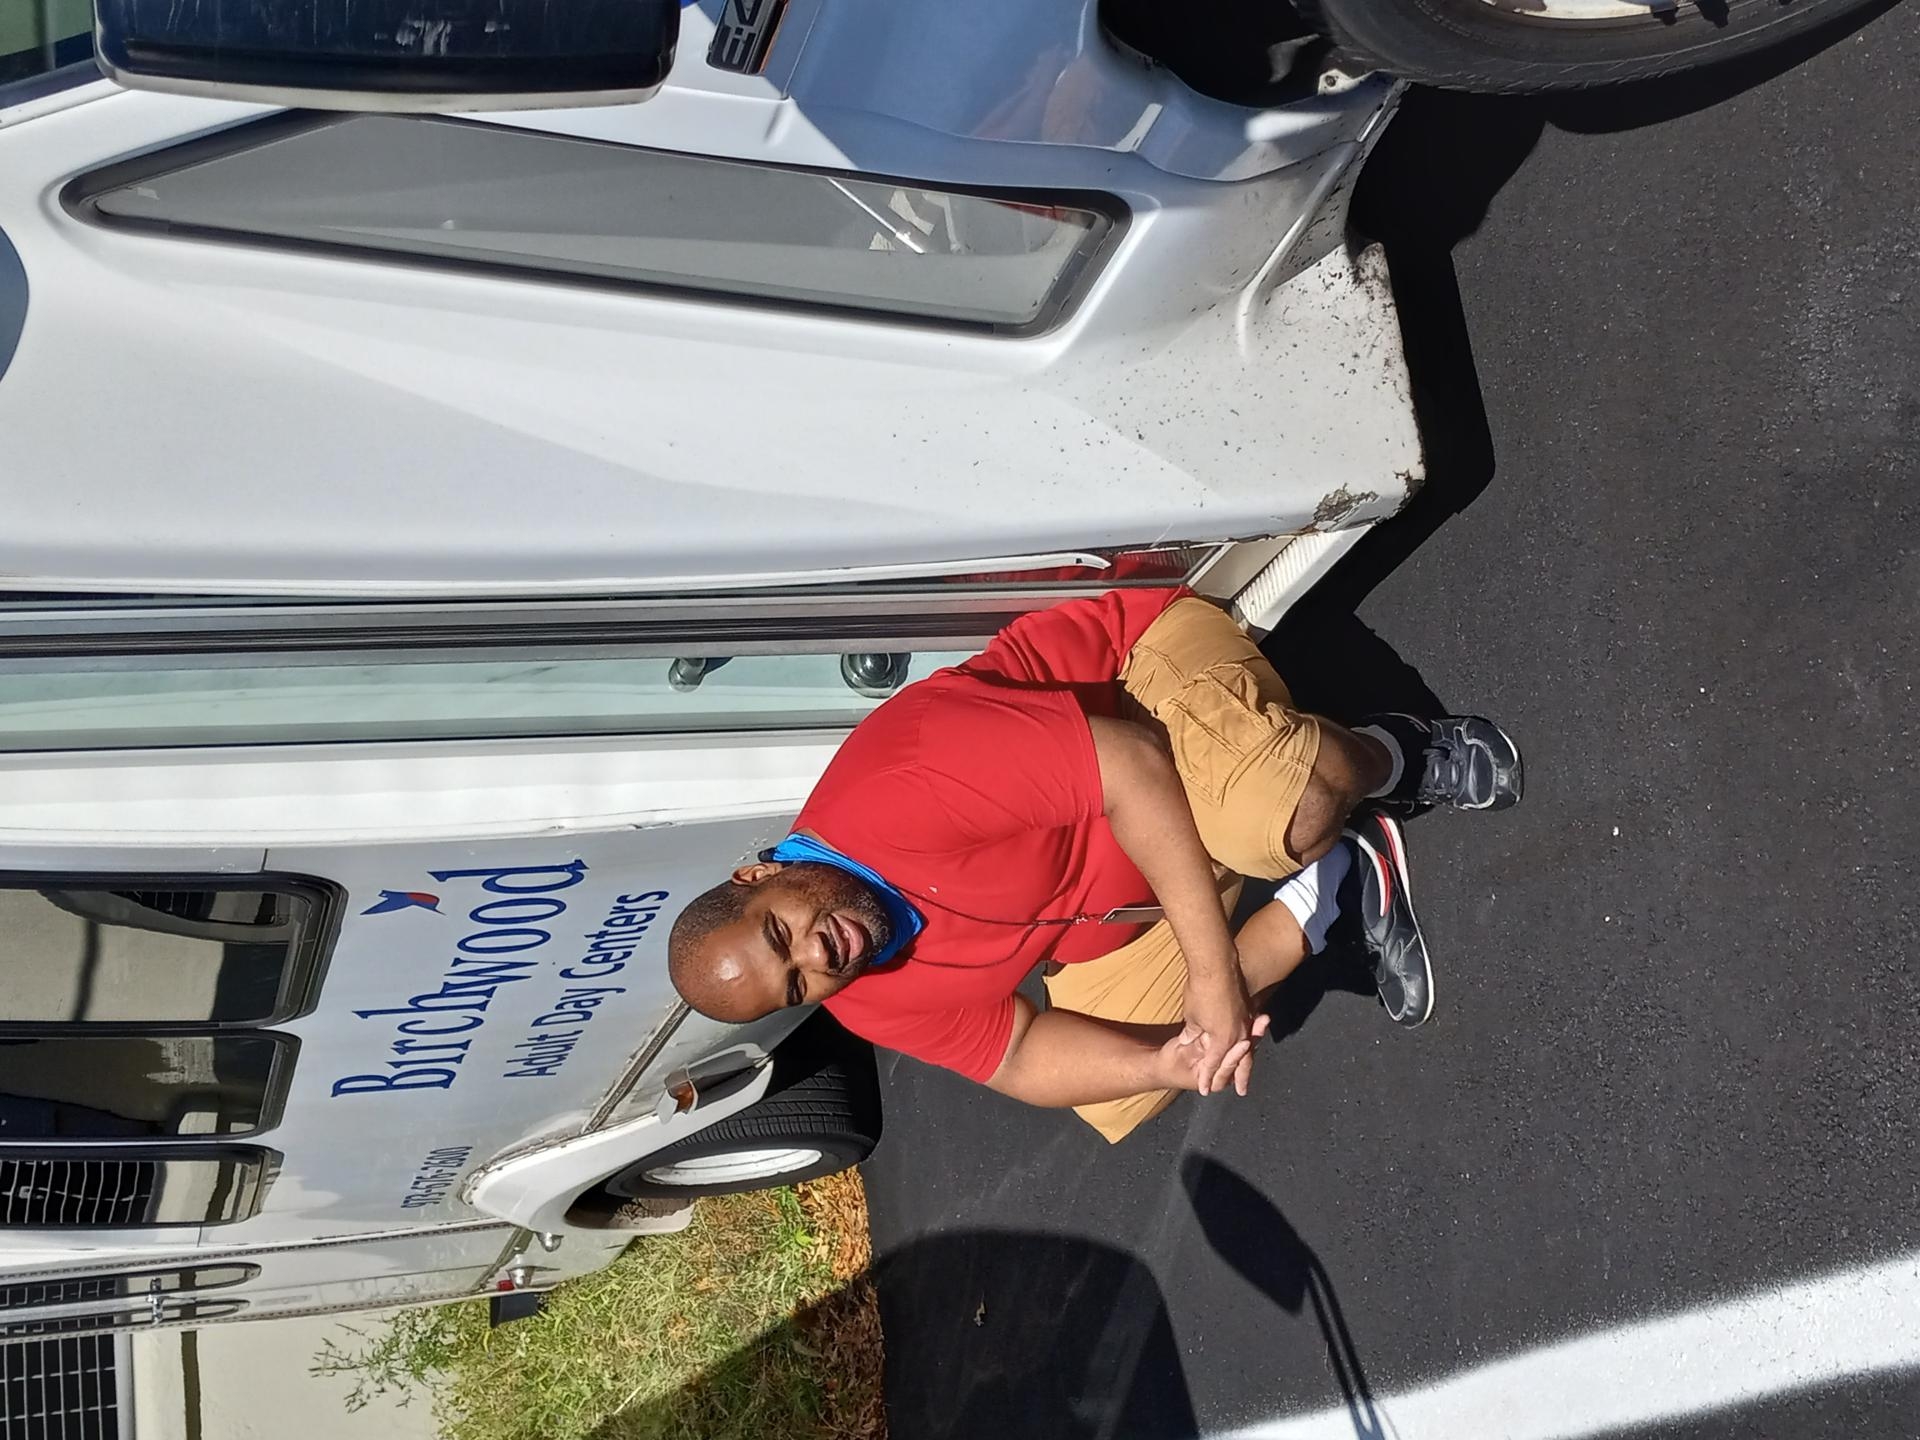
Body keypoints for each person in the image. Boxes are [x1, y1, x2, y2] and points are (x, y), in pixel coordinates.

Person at [667, 587, 1520, 1142]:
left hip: (1143, 694)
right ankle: (1334, 886)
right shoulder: (863, 997)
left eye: (780, 933)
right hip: (1137, 899)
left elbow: (1129, 768)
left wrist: (1212, 974)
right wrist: (1169, 1060)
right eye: (795, 986)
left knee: (1275, 812)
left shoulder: (891, 790)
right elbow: (1017, 1055)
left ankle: (1396, 754)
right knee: (1120, 1086)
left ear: (757, 876)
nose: (816, 958)